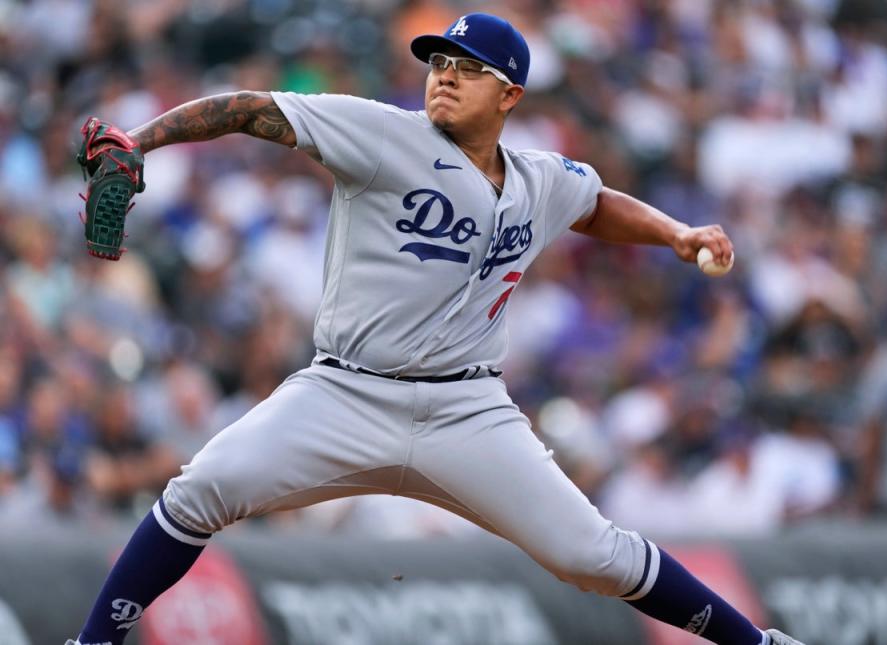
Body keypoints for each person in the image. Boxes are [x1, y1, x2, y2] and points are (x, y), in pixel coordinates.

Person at [69, 14, 803, 645]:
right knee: (202, 488)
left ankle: (756, 640)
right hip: (345, 393)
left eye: (469, 69)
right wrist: (144, 138)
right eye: (439, 63)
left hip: (468, 411)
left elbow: (594, 201)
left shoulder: (538, 177)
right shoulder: (381, 134)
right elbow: (250, 108)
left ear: (510, 93)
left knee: (594, 555)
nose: (445, 76)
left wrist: (675, 233)